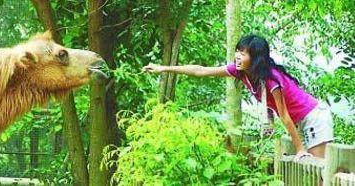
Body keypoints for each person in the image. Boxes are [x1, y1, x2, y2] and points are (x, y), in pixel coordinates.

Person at [142, 34, 334, 161]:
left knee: (317, 172)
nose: (237, 56)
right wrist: (163, 68)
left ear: (256, 57)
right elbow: (201, 71)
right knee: (309, 174)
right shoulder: (242, 73)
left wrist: (300, 149)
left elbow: (284, 116)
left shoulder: (271, 80)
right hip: (300, 121)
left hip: (314, 117)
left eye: (243, 53)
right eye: (237, 51)